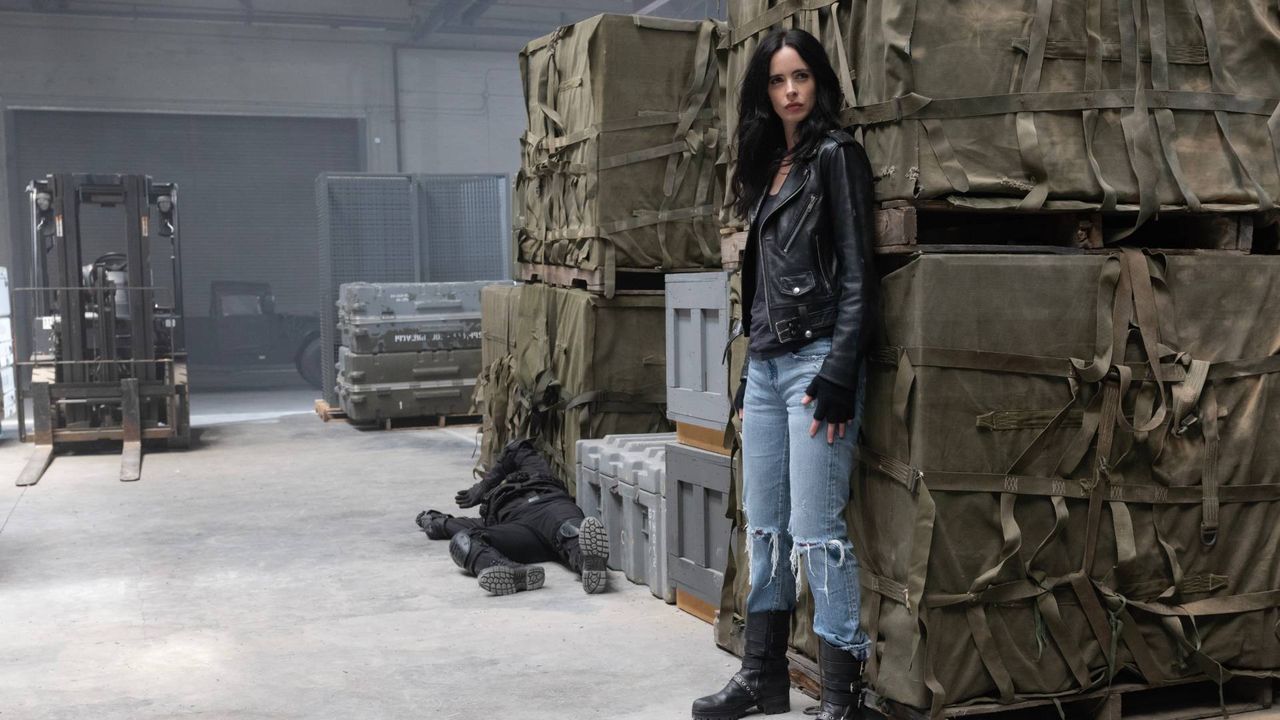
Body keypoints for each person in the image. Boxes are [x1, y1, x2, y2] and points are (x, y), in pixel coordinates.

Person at [691, 28, 878, 720]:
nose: (790, 90)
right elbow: (764, 289)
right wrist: (746, 379)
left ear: (819, 81)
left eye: (800, 76)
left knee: (817, 532)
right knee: (764, 527)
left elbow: (859, 273)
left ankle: (842, 698)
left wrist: (840, 369)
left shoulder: (836, 157)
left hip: (815, 364)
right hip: (767, 368)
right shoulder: (771, 164)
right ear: (763, 92)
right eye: (777, 80)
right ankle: (761, 677)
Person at [416, 439, 609, 596]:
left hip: (551, 506)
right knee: (463, 540)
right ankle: (512, 571)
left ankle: (589, 563)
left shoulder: (535, 469)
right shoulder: (491, 511)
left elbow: (517, 447)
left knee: (571, 530)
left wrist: (484, 485)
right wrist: (429, 519)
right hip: (518, 529)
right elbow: (447, 526)